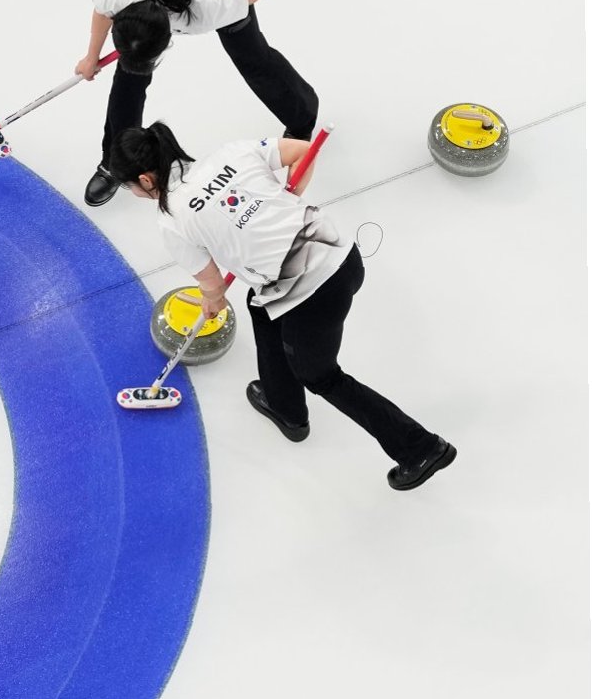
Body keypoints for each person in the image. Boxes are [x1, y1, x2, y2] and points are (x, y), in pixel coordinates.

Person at [108, 121, 456, 491]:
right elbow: (303, 150)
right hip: (341, 256)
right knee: (259, 305)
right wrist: (289, 198)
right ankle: (285, 407)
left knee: (320, 375)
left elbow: (213, 288)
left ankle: (420, 448)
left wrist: (211, 303)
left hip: (313, 294)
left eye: (129, 187)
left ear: (145, 179)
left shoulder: (172, 221)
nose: (133, 192)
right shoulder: (231, 152)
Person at [76, 0, 318, 207]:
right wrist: (91, 57)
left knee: (252, 56)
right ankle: (115, 162)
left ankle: (301, 119)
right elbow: (102, 12)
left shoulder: (207, 9)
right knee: (128, 78)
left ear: (168, 40)